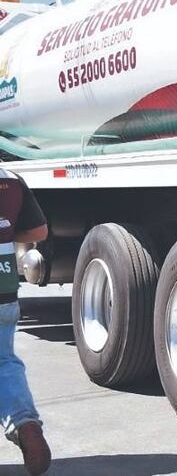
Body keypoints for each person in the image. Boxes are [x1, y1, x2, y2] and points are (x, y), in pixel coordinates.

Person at [0, 168, 50, 475]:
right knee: (4, 361)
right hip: (3, 289)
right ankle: (24, 421)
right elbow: (38, 231)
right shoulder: (11, 179)